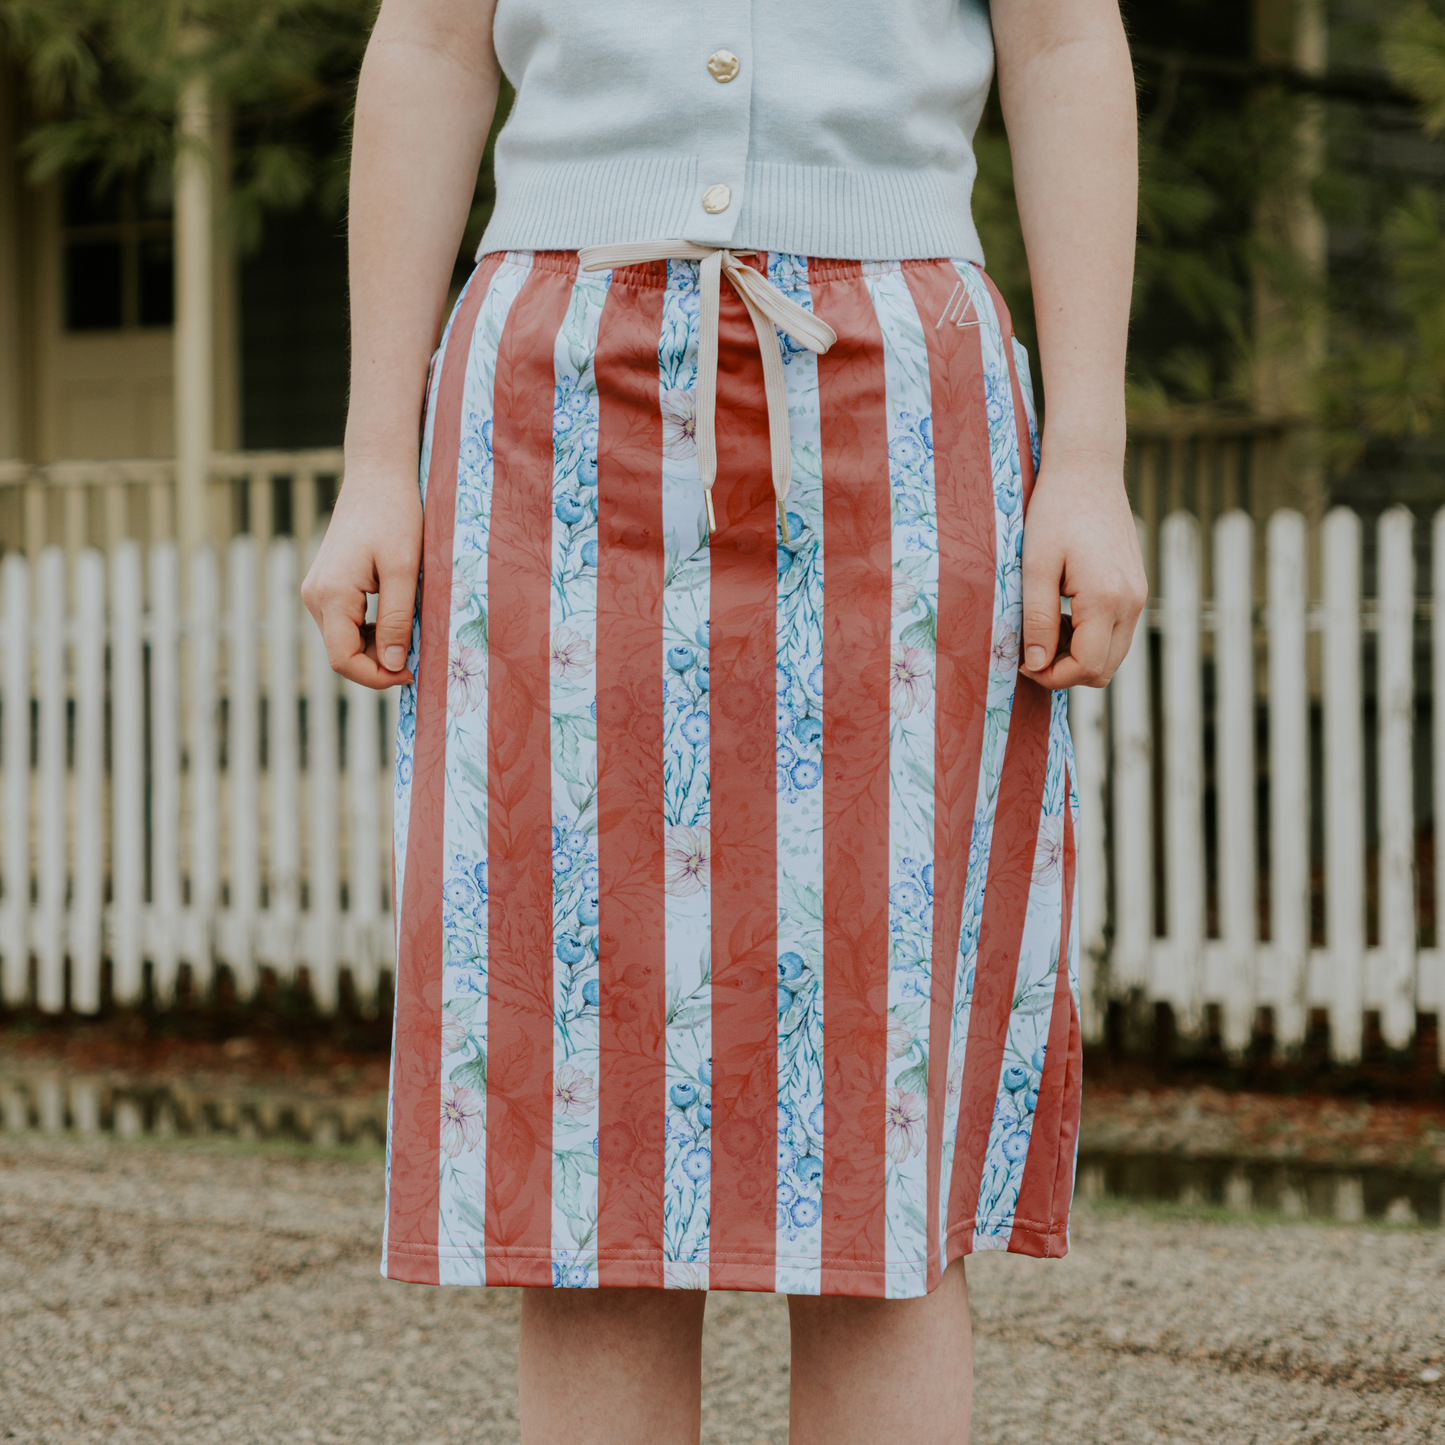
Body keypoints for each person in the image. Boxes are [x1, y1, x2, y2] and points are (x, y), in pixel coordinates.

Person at [302, 0, 1144, 1438]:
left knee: (880, 1137)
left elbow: (1065, 44)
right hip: (553, 404)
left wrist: (1088, 458)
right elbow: (430, 48)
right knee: (588, 1141)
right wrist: (376, 457)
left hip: (899, 399)